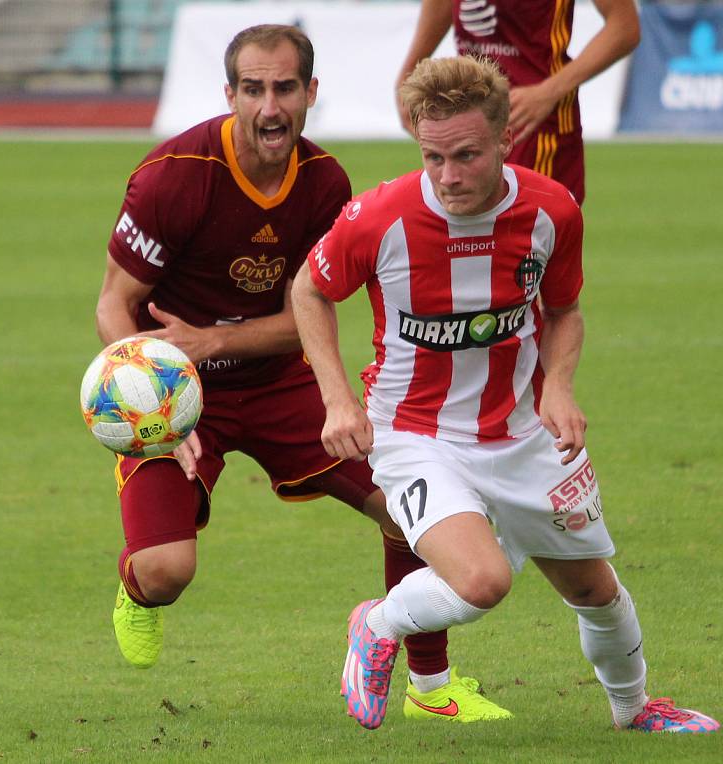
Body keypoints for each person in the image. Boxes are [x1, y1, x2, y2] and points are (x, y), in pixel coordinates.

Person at [291, 54, 720, 733]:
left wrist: (560, 389)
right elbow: (309, 290)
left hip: (524, 433)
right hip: (414, 434)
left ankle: (634, 711)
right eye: (434, 157)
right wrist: (338, 400)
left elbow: (566, 311)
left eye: (466, 156)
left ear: (502, 141)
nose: (449, 176)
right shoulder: (380, 218)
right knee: (483, 581)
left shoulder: (551, 211)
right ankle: (375, 624)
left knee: (595, 590)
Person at [95, 24, 509, 723]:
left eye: (285, 87)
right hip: (175, 391)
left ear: (310, 92)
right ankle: (137, 592)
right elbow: (115, 303)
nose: (270, 106)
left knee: (410, 511)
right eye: (253, 89)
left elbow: (309, 313)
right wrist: (158, 394)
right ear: (230, 94)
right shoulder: (175, 176)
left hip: (284, 381)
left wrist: (214, 340)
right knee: (167, 571)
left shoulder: (325, 184)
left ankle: (431, 688)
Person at [395, 0, 640, 204]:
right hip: (470, 119)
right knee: (465, 241)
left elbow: (624, 28)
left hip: (535, 128)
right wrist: (409, 72)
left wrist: (547, 91)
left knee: (530, 248)